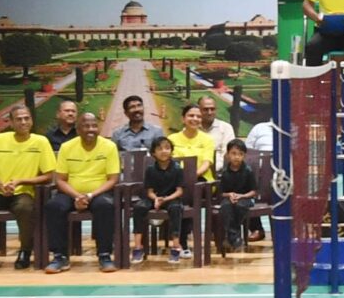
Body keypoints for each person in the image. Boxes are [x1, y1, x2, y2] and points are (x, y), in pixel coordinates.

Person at [0, 104, 57, 269]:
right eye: (19, 119)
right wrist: (1, 185)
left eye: (27, 118)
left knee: (24, 208)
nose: (23, 122)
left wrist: (20, 181)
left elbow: (48, 176)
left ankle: (25, 251)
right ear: (11, 123)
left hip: (24, 192)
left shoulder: (41, 142)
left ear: (31, 121)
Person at [45, 109, 123, 274]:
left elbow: (113, 179)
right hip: (71, 193)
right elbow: (60, 180)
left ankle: (104, 255)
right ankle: (60, 256)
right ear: (78, 129)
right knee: (54, 206)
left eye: (94, 126)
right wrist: (77, 196)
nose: (91, 129)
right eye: (86, 126)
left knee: (105, 206)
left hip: (98, 193)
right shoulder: (67, 147)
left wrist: (90, 195)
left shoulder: (109, 146)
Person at [135, 134, 193, 264]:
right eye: (159, 148)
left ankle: (176, 247)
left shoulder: (177, 168)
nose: (164, 151)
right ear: (153, 153)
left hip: (171, 198)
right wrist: (156, 199)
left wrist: (165, 199)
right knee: (139, 207)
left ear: (171, 151)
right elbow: (149, 192)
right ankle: (138, 247)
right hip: (155, 198)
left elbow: (179, 191)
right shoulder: (150, 170)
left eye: (167, 148)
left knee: (176, 208)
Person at [211, 139, 262, 253]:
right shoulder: (224, 172)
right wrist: (229, 194)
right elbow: (221, 192)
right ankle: (235, 238)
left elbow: (253, 191)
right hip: (229, 198)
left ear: (244, 156)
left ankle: (232, 238)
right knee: (226, 207)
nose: (236, 157)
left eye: (240, 154)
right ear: (227, 155)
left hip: (246, 198)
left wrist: (241, 196)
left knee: (239, 206)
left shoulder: (248, 171)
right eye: (233, 153)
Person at [166, 107, 217, 181]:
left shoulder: (208, 139)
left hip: (202, 179)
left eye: (198, 117)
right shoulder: (171, 139)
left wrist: (192, 176)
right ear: (183, 119)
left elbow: (207, 162)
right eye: (191, 115)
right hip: (176, 179)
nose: (195, 119)